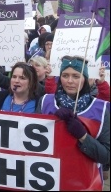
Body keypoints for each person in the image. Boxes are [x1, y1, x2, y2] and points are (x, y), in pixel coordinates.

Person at [36, 55, 110, 184]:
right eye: (65, 75)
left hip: (85, 182)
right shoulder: (45, 102)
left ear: (85, 79)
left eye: (76, 76)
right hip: (50, 179)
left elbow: (106, 156)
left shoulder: (101, 108)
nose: (70, 81)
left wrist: (83, 136)